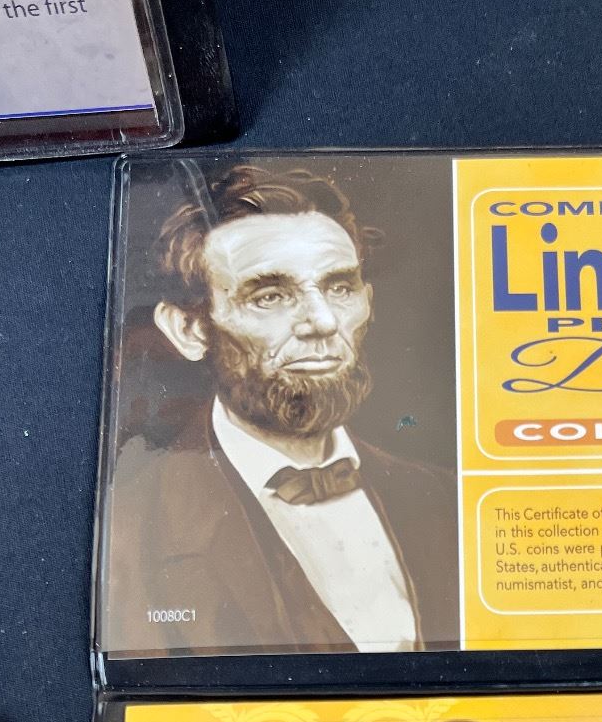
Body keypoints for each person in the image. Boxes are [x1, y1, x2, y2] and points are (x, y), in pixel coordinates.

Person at [106, 162, 458, 655]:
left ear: (368, 301)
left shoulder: (447, 499)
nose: (322, 321)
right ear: (189, 330)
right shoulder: (129, 533)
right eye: (269, 296)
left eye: (339, 288)